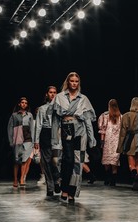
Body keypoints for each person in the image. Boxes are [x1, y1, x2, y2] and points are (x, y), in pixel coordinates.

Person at [51, 72, 97, 205]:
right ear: (68, 82)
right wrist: (54, 137)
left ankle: (71, 193)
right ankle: (64, 188)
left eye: (76, 81)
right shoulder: (59, 97)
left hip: (80, 131)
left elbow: (88, 120)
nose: (74, 83)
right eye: (72, 81)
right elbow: (55, 120)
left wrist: (91, 137)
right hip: (66, 129)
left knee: (78, 163)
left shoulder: (83, 99)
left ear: (79, 83)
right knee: (68, 160)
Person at [117, 97, 138, 191]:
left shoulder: (126, 116)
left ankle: (135, 175)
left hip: (130, 140)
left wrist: (120, 146)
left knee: (131, 162)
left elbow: (122, 133)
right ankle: (137, 182)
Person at [34, 86, 61, 196]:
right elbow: (38, 125)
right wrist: (36, 140)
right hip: (46, 133)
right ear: (47, 94)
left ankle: (56, 181)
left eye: (55, 92)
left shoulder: (60, 107)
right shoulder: (42, 108)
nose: (53, 94)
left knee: (56, 161)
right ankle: (50, 187)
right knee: (47, 162)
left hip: (58, 134)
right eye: (50, 92)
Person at [7, 97, 34, 187]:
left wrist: (34, 141)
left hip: (28, 140)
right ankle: (15, 179)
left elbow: (32, 128)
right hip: (17, 139)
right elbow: (10, 128)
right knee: (16, 161)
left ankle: (22, 178)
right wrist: (11, 141)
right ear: (19, 104)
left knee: (24, 160)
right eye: (22, 102)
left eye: (25, 103)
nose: (24, 104)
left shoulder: (29, 115)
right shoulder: (14, 115)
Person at [98, 99, 122, 186]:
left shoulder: (105, 116)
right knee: (114, 161)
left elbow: (103, 131)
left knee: (107, 160)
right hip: (116, 142)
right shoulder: (121, 117)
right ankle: (113, 180)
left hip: (108, 141)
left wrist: (102, 142)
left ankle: (107, 178)